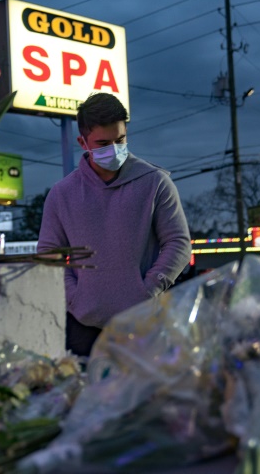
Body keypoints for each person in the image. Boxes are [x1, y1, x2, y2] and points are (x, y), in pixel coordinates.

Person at [37, 92, 192, 357]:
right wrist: (74, 298)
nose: (114, 149)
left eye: (120, 139)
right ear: (82, 142)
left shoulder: (155, 183)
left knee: (147, 396)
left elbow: (178, 243)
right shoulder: (62, 193)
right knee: (84, 396)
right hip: (83, 326)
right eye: (103, 143)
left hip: (145, 324)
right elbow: (48, 254)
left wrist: (150, 289)